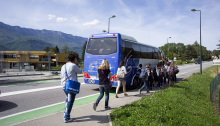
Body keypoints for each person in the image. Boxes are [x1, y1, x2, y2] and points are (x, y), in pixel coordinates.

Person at [60, 53, 82, 123]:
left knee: (68, 100)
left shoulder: (64, 66)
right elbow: (80, 71)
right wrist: (77, 64)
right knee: (70, 101)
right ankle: (66, 117)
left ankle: (65, 114)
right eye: (75, 58)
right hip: (71, 86)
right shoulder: (73, 65)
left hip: (64, 85)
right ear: (74, 59)